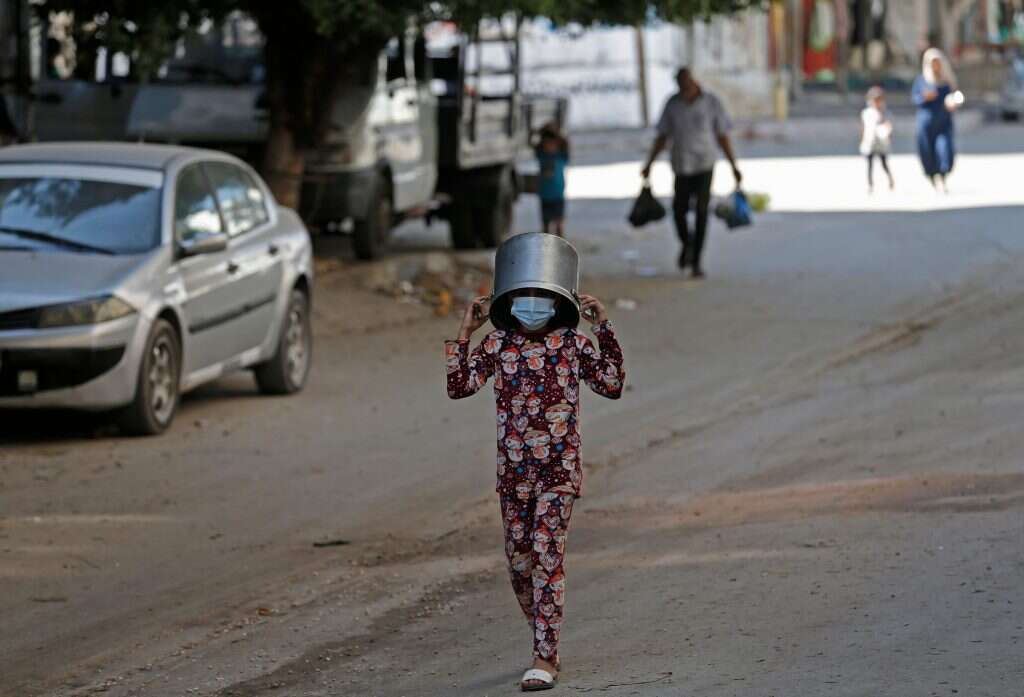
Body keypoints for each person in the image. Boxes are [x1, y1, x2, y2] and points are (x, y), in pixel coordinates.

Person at [445, 286, 624, 691]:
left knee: (546, 553)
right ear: (508, 299)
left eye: (538, 293)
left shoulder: (573, 343)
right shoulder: (496, 343)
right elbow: (459, 386)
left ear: (556, 297)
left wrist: (604, 327)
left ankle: (544, 655)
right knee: (518, 562)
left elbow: (611, 384)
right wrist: (465, 332)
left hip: (558, 471)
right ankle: (545, 634)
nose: (531, 303)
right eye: (521, 293)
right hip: (513, 474)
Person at [641, 67, 742, 279]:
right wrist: (649, 162)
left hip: (705, 164)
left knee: (702, 212)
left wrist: (734, 165)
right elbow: (662, 136)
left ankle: (696, 262)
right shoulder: (672, 104)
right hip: (681, 165)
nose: (684, 89)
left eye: (686, 84)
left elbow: (722, 135)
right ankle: (687, 243)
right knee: (678, 210)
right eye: (680, 85)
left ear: (693, 81)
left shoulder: (711, 102)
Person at [912, 47, 961, 192]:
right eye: (932, 62)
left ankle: (943, 177)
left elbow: (955, 95)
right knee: (927, 151)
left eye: (937, 62)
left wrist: (954, 102)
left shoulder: (947, 80)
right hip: (926, 123)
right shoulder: (922, 80)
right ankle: (933, 177)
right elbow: (915, 99)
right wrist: (924, 97)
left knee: (945, 149)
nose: (935, 65)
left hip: (944, 121)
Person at [533, 123, 570, 237]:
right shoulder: (541, 156)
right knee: (546, 227)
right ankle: (547, 248)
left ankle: (561, 246)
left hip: (558, 196)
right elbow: (534, 143)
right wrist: (541, 131)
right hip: (545, 196)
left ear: (558, 144)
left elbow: (566, 143)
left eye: (552, 144)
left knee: (559, 225)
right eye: (547, 144)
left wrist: (556, 131)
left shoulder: (561, 157)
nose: (550, 146)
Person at [860, 86, 895, 192]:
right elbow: (863, 127)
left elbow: (889, 126)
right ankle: (870, 184)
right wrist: (862, 139)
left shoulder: (885, 113)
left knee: (884, 163)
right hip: (870, 141)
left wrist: (888, 134)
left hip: (881, 142)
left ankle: (890, 180)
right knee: (870, 165)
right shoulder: (867, 113)